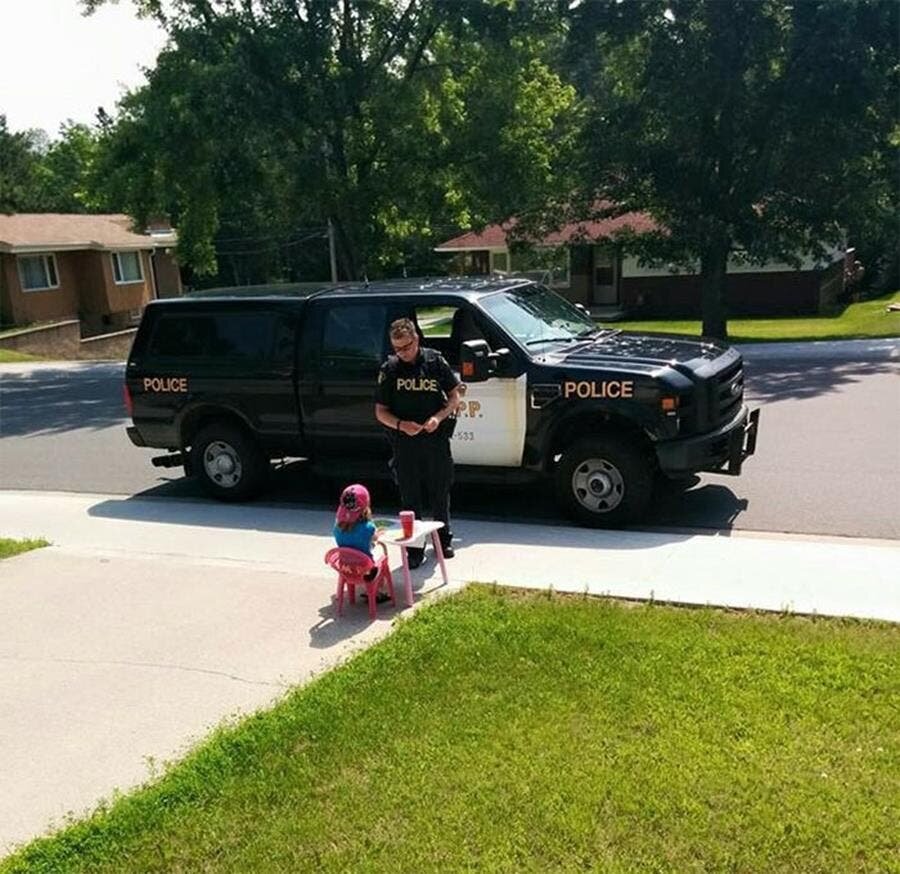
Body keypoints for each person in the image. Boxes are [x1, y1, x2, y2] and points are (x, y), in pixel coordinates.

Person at [375, 317, 464, 567]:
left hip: (435, 438)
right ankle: (415, 548)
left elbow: (455, 397)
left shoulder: (435, 361)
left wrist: (438, 417)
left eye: (406, 347)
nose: (402, 353)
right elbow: (381, 411)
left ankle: (443, 538)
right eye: (397, 348)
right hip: (405, 441)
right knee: (409, 496)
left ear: (416, 339)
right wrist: (402, 426)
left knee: (440, 490)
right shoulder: (389, 369)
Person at [332, 483, 386, 594]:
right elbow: (374, 539)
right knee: (383, 557)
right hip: (366, 571)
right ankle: (377, 590)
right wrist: (377, 535)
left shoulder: (337, 528)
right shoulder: (368, 528)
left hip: (345, 569)